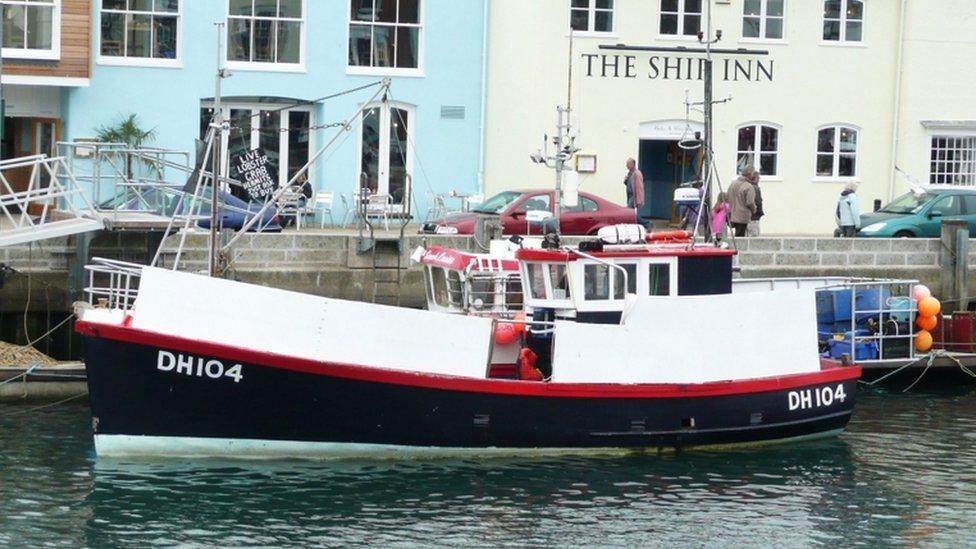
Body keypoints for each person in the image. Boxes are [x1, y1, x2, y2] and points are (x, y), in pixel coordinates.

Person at [728, 166, 758, 237]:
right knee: (741, 237)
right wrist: (754, 209)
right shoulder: (749, 186)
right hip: (743, 216)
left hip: (732, 214)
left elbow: (727, 197)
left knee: (737, 235)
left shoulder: (732, 184)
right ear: (750, 174)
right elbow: (750, 202)